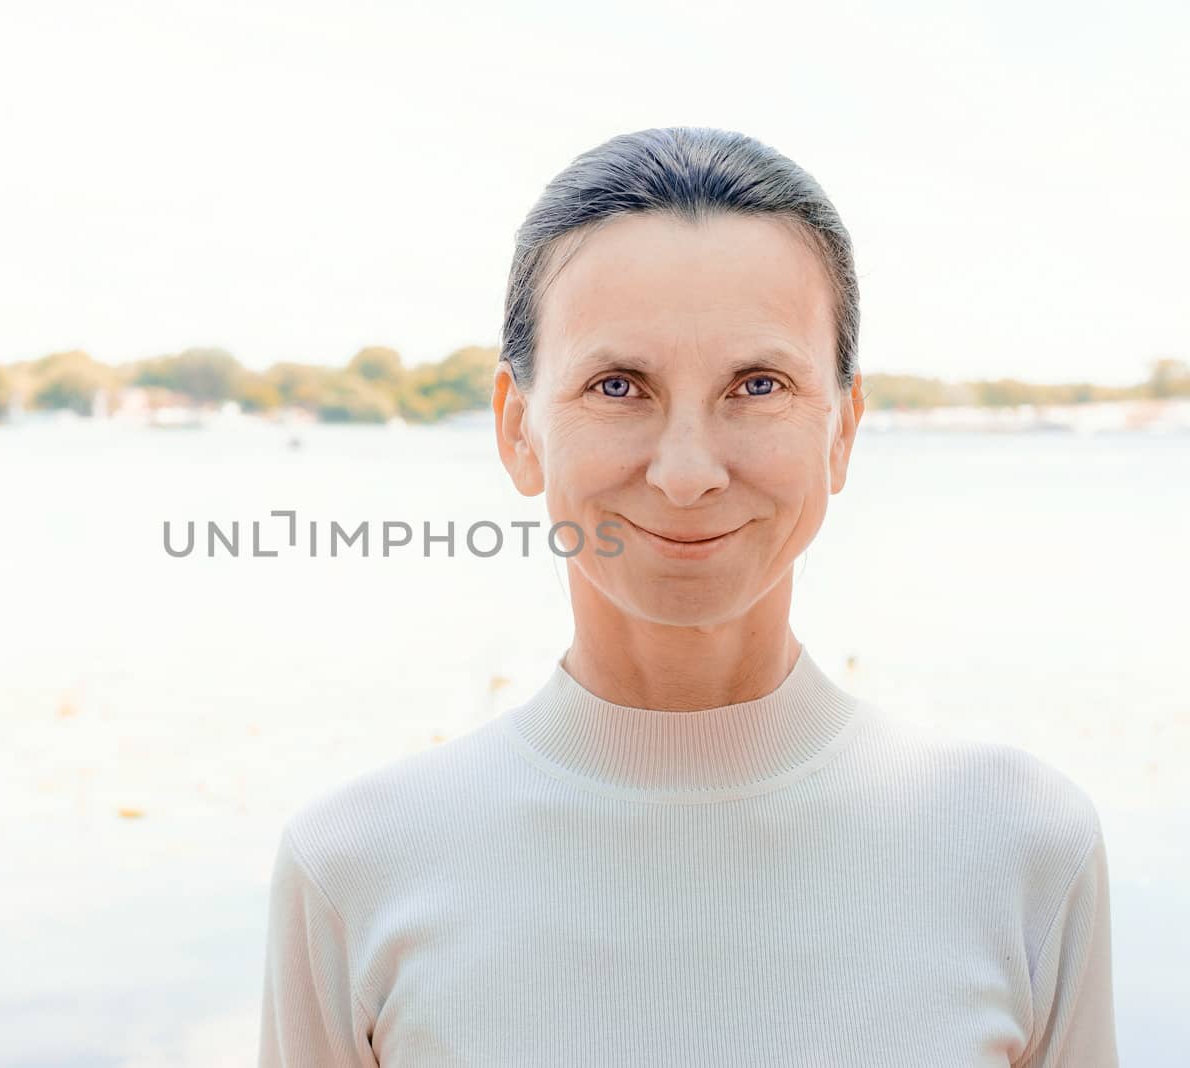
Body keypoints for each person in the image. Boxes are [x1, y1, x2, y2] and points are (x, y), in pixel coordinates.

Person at [257, 127, 1116, 1066]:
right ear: (518, 430)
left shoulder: (1022, 850)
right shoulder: (354, 871)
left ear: (843, 431)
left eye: (758, 384)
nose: (687, 471)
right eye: (618, 385)